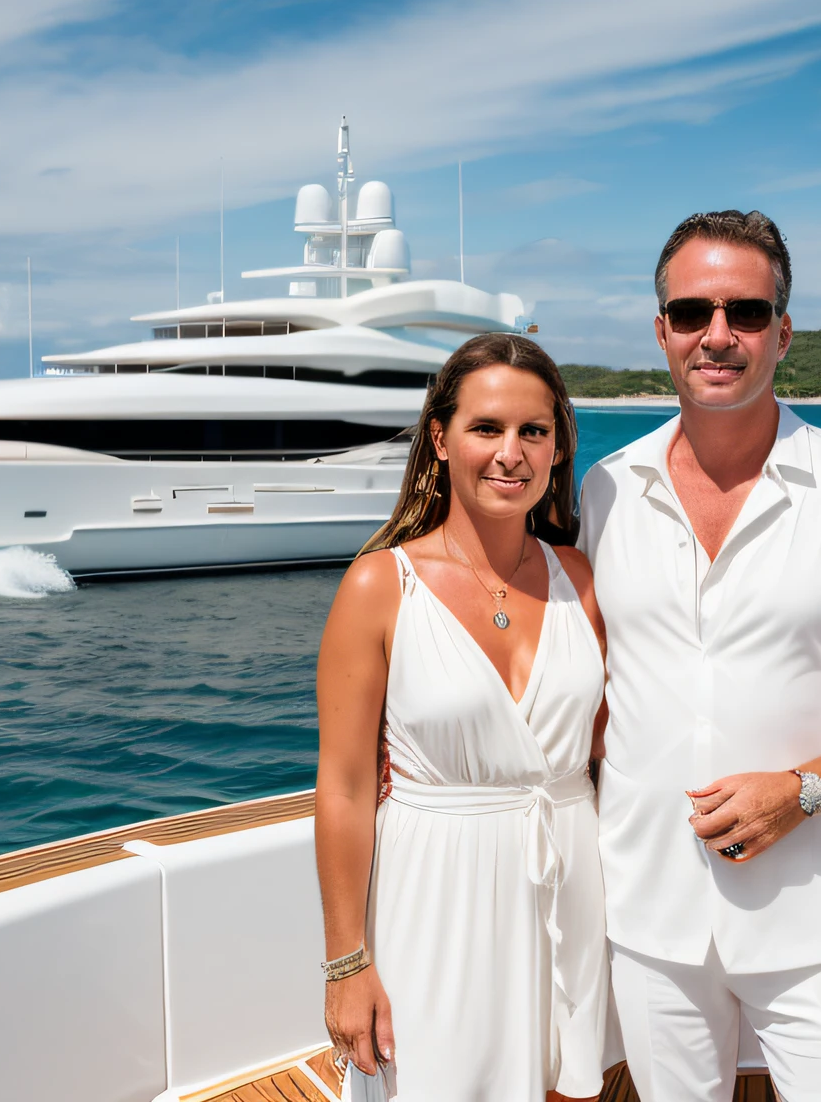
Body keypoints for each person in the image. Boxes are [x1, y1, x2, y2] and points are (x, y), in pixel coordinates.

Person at [580, 210, 821, 1101]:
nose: (718, 336)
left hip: (815, 916)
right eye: (692, 313)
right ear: (662, 331)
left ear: (782, 332)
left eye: (745, 313)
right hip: (647, 908)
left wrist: (804, 792)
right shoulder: (602, 490)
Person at [314, 333, 609, 1101]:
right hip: (436, 893)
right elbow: (344, 787)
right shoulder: (382, 584)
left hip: (571, 879)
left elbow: (626, 732)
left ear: (555, 448)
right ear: (440, 439)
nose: (510, 453)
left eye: (532, 432)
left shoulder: (580, 577)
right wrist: (347, 965)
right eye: (487, 428)